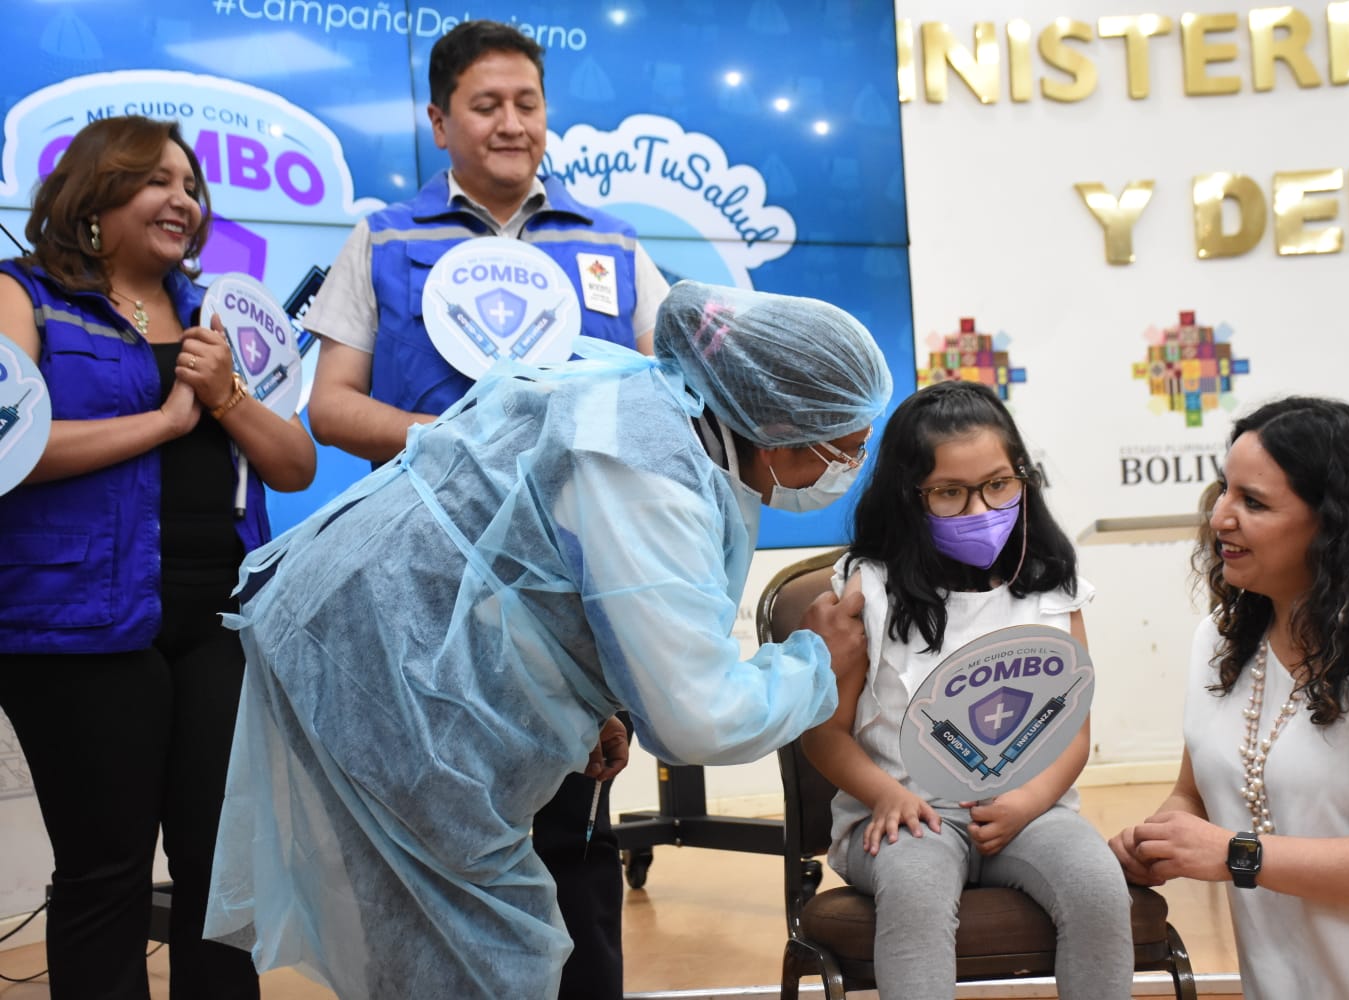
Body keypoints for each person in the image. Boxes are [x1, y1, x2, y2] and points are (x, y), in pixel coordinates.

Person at [202, 280, 891, 998]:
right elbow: (698, 716)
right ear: (775, 424)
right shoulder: (647, 468)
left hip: (382, 639)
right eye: (843, 451)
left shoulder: (649, 410)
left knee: (440, 940)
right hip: (385, 670)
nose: (847, 471)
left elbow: (536, 571)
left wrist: (595, 703)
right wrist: (816, 661)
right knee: (485, 950)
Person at [301, 22, 669, 995]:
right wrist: (455, 440)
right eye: (485, 105)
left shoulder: (611, 243)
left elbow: (669, 398)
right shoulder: (385, 239)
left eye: (527, 104)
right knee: (434, 838)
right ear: (439, 121)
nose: (511, 124)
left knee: (573, 843)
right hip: (424, 588)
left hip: (569, 592)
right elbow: (330, 406)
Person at [0, 115, 316, 999]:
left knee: (222, 870)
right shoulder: (23, 296)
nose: (183, 200)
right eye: (156, 181)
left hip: (219, 621)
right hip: (78, 624)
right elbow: (9, 445)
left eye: (190, 186)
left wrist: (227, 396)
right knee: (105, 871)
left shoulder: (225, 314)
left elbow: (294, 463)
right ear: (93, 195)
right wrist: (168, 422)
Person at [1109, 396, 1349, 998]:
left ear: (1334, 525)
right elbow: (1198, 793)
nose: (1220, 518)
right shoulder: (1221, 640)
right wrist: (1157, 841)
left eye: (1254, 502)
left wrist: (1237, 854)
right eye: (1225, 490)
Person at [801, 380, 1134, 1000]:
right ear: (908, 495)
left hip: (1029, 810)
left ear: (1022, 476)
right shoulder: (866, 591)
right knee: (916, 894)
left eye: (999, 485)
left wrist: (1028, 802)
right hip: (905, 813)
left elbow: (1073, 729)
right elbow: (823, 734)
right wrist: (886, 796)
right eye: (950, 493)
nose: (980, 510)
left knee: (1097, 886)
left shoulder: (1051, 584)